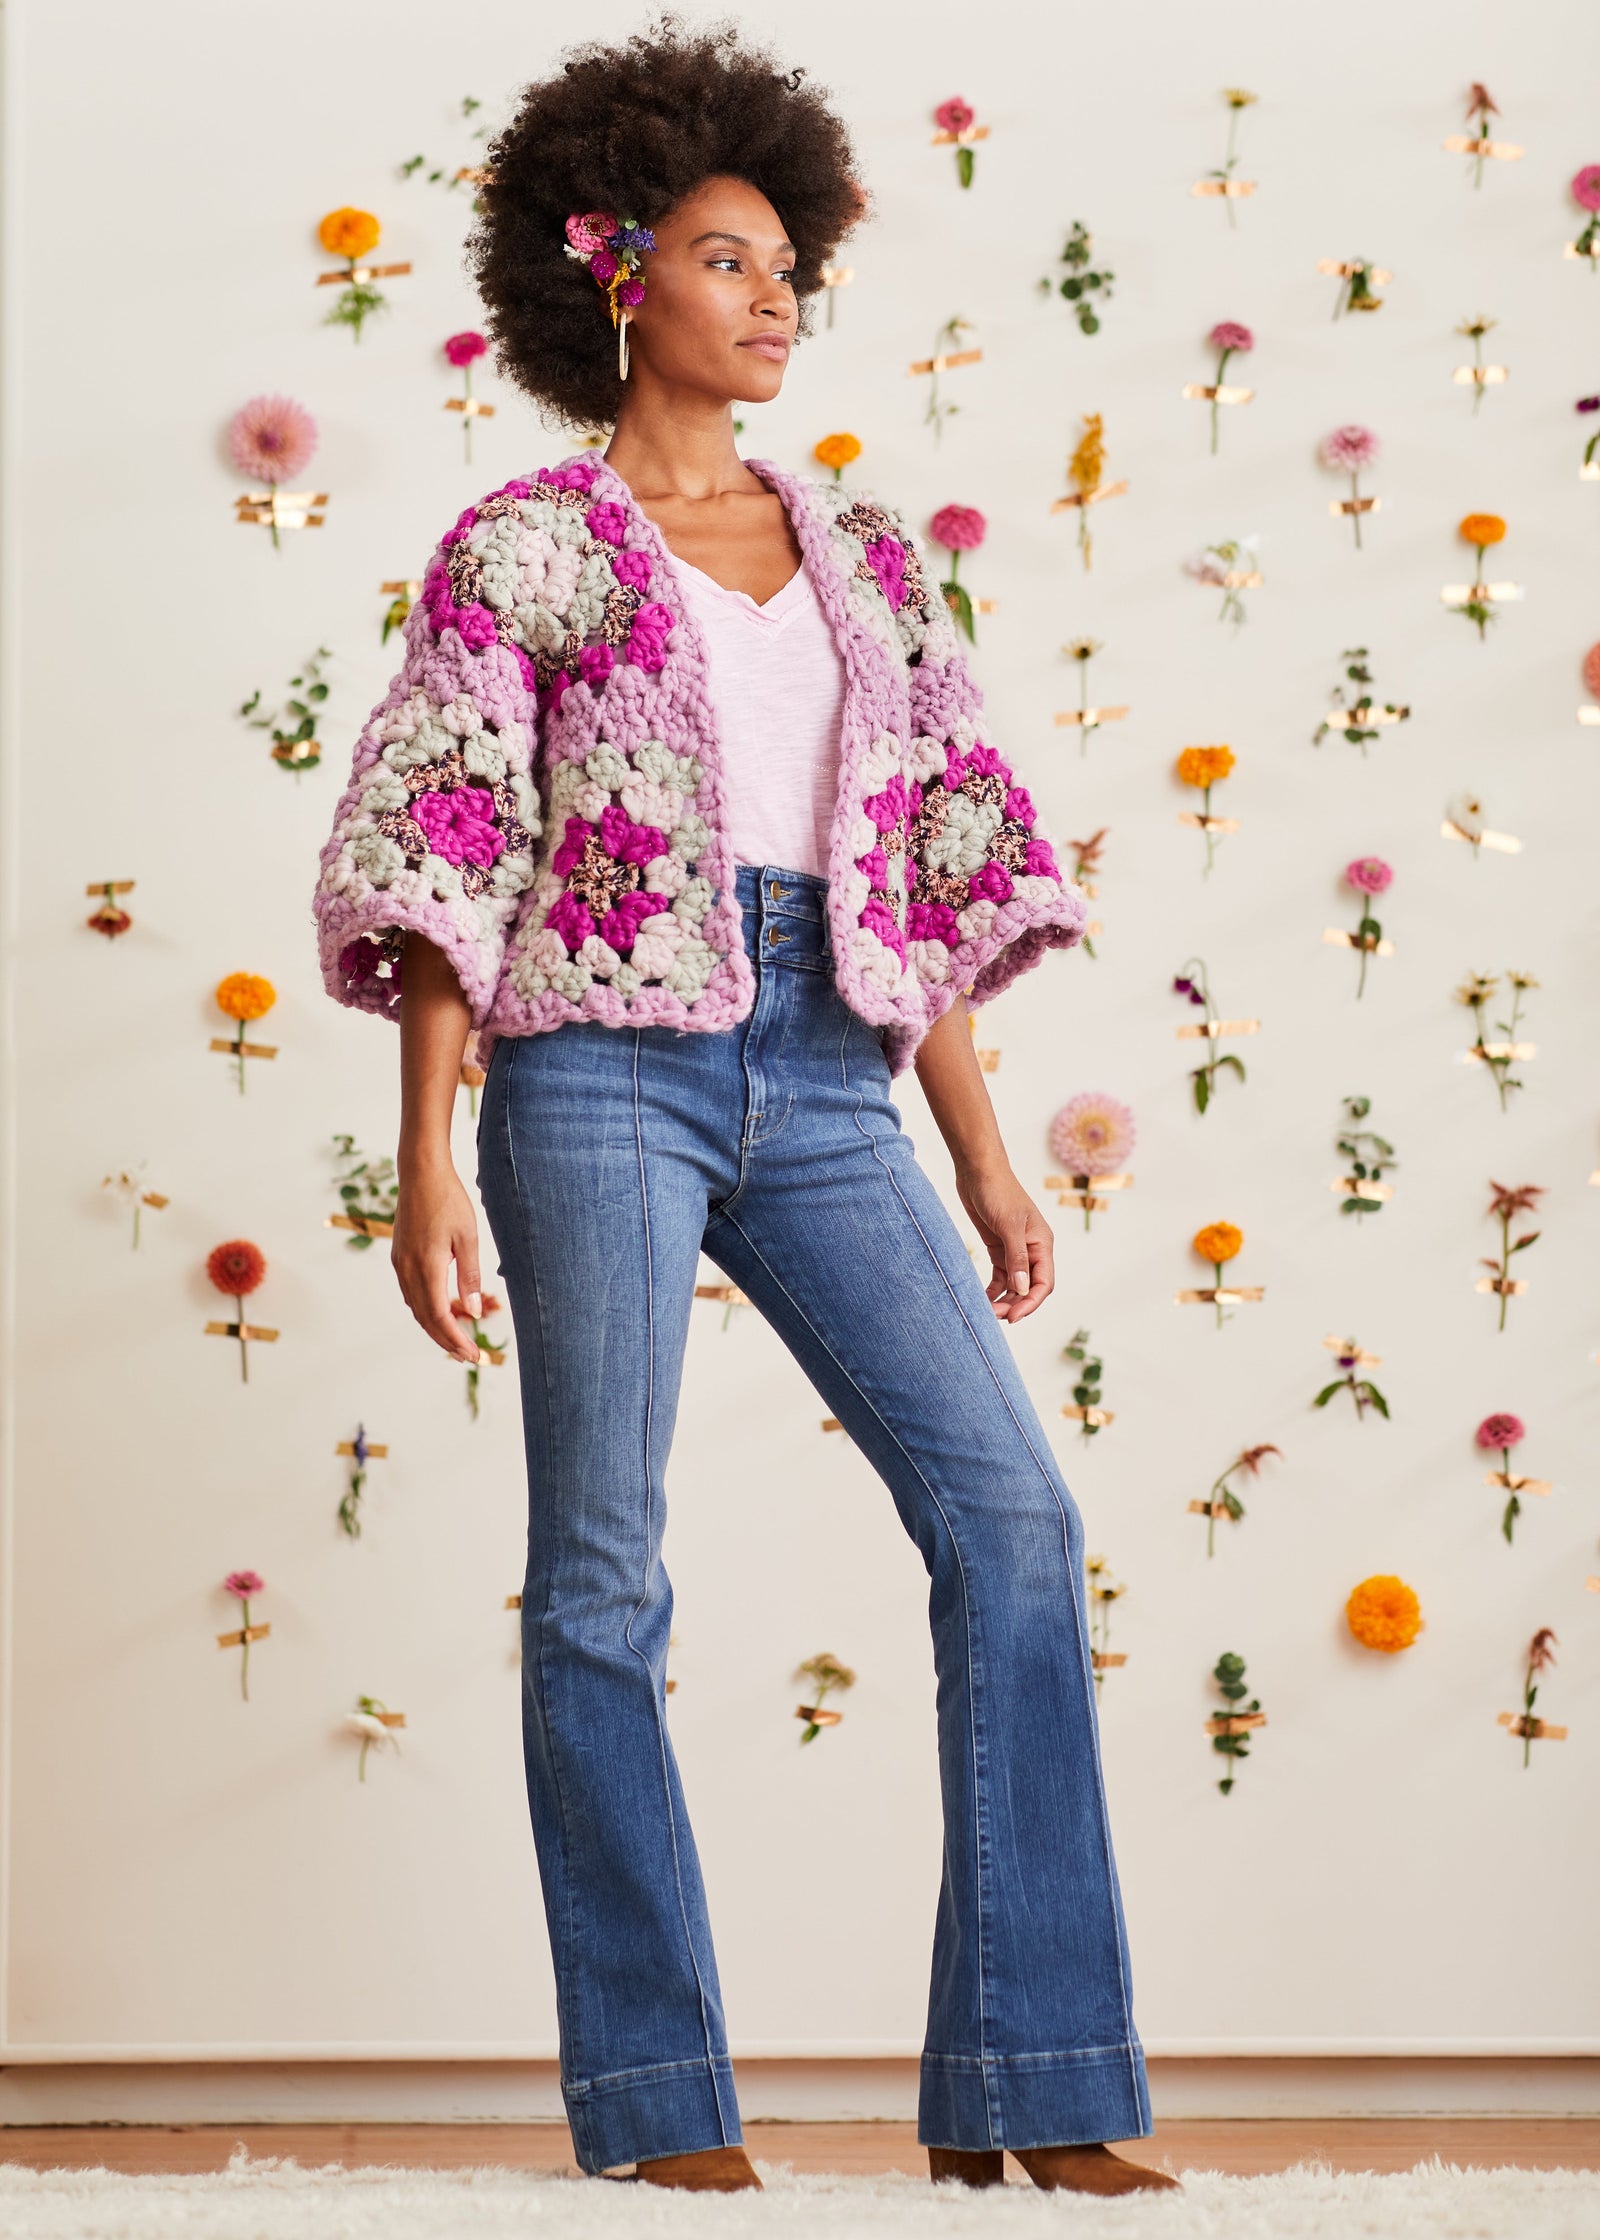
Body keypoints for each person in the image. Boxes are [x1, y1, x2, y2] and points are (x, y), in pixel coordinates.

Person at [312, 19, 1179, 2202]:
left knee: (1010, 1519)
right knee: (600, 1570)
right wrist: (426, 1154)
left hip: (819, 1065)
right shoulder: (524, 545)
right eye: (729, 253)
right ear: (620, 277)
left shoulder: (871, 559)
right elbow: (438, 853)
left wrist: (976, 1147)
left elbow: (925, 871)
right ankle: (657, 2101)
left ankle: (1034, 2074)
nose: (777, 290)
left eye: (792, 256)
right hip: (589, 1058)